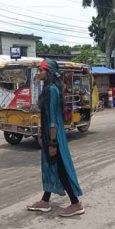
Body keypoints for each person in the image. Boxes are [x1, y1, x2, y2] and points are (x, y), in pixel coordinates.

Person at [27, 59, 84, 217]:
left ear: (50, 72)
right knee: (51, 166)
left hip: (53, 135)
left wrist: (52, 142)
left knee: (60, 168)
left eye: (42, 70)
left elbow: (52, 118)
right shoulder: (48, 88)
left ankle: (76, 203)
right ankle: (45, 201)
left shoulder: (52, 90)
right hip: (48, 134)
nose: (40, 73)